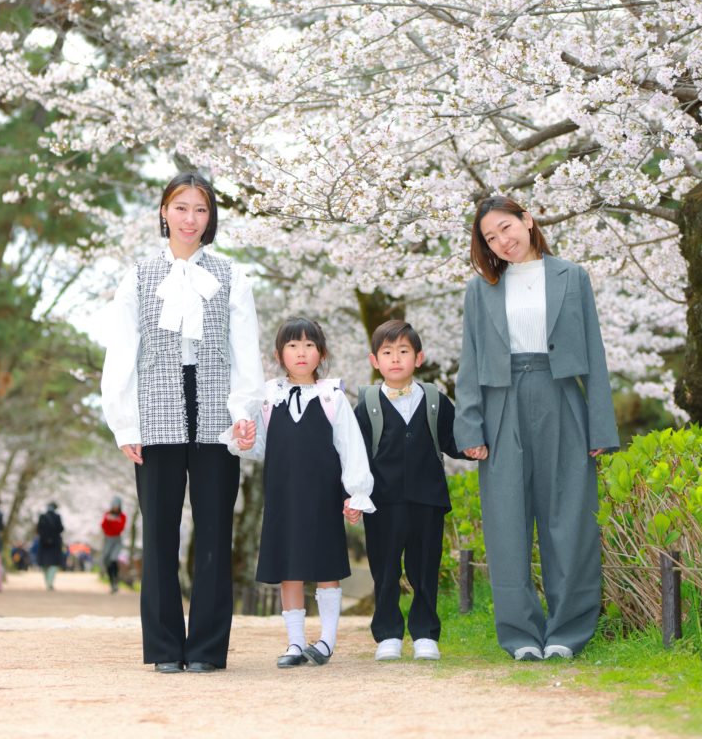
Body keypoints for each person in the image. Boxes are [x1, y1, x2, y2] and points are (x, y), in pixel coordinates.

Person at [100, 170, 265, 674]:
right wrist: (125, 423)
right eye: (180, 207)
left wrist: (243, 413)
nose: (190, 218)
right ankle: (166, 648)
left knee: (215, 532)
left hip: (217, 413)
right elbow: (122, 351)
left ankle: (209, 649)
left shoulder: (233, 277)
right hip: (156, 411)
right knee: (160, 536)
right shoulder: (139, 275)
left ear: (210, 217)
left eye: (200, 209)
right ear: (164, 212)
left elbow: (246, 351)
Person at [454, 195, 620, 661]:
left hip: (562, 396)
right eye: (490, 237)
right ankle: (521, 635)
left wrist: (600, 428)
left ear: (527, 221)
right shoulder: (480, 288)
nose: (502, 241)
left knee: (569, 519)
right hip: (500, 403)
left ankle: (568, 632)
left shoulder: (572, 276)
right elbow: (470, 362)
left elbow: (595, 354)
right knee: (506, 522)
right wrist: (470, 428)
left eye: (507, 228)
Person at [224, 317, 374, 669]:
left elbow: (351, 448)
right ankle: (294, 642)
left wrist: (356, 494)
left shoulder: (332, 397)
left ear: (321, 353)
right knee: (288, 569)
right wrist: (241, 439)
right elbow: (256, 445)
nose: (301, 352)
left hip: (323, 496)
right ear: (279, 354)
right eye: (293, 345)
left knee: (326, 567)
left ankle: (326, 641)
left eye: (309, 345)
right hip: (282, 497)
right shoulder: (267, 398)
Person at [354, 320, 468, 662]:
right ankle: (387, 633)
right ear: (375, 361)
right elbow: (355, 453)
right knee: (385, 570)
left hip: (427, 500)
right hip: (383, 502)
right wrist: (351, 494)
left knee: (425, 568)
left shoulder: (434, 399)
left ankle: (424, 634)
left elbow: (452, 441)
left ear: (419, 357)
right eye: (387, 353)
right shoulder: (368, 403)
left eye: (404, 351)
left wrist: (477, 446)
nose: (395, 359)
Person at [100, 498, 127, 593]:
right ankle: (112, 583)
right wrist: (110, 521)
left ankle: (116, 580)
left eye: (117, 506)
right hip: (107, 540)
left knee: (113, 559)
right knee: (107, 560)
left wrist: (113, 521)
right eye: (114, 506)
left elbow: (119, 529)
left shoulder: (122, 516)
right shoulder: (107, 514)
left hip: (117, 541)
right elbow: (103, 526)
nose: (115, 508)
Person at [36, 502, 64, 590]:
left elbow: (38, 529)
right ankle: (50, 583)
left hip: (44, 543)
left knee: (45, 563)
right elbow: (61, 529)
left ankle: (47, 582)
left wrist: (45, 538)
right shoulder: (57, 517)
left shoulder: (42, 517)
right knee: (53, 564)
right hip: (55, 544)